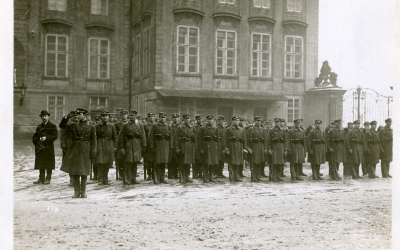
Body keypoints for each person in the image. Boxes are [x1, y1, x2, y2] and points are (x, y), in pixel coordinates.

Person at [60, 108, 96, 198]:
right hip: (75, 149)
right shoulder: (73, 125)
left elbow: (94, 140)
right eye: (77, 114)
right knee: (75, 171)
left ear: (85, 115)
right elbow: (62, 126)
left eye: (80, 114)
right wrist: (67, 117)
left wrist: (93, 151)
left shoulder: (91, 126)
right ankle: (76, 192)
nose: (78, 116)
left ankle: (83, 192)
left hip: (86, 149)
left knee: (84, 172)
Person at [118, 111, 146, 185]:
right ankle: (127, 179)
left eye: (132, 115)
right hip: (128, 146)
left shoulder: (139, 124)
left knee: (135, 163)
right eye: (129, 116)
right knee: (128, 163)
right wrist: (122, 148)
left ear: (135, 116)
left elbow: (143, 135)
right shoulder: (125, 125)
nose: (130, 117)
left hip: (137, 146)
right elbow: (120, 137)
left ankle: (133, 179)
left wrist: (144, 146)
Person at [32, 110, 58, 185]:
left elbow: (55, 136)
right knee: (41, 163)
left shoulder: (52, 126)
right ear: (41, 118)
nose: (44, 118)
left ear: (48, 117)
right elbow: (35, 137)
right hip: (41, 148)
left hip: (49, 148)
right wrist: (37, 140)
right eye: (42, 116)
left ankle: (48, 178)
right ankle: (41, 178)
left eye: (45, 116)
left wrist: (46, 138)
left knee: (49, 164)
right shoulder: (39, 127)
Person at [148, 112, 174, 184]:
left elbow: (171, 136)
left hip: (165, 146)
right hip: (157, 145)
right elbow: (150, 137)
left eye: (164, 117)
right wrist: (152, 147)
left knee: (164, 162)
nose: (162, 119)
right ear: (159, 118)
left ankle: (162, 177)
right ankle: (156, 177)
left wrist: (171, 146)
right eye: (161, 117)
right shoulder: (155, 125)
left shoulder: (168, 126)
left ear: (165, 118)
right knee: (157, 162)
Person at [94, 111, 117, 186]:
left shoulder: (111, 125)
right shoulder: (97, 126)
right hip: (100, 144)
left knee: (107, 163)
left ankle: (105, 179)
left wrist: (115, 146)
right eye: (103, 116)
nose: (104, 117)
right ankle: (100, 179)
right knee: (100, 162)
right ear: (101, 117)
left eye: (106, 116)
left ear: (108, 116)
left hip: (109, 145)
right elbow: (95, 137)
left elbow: (115, 137)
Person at [224, 116, 247, 182]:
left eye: (238, 120)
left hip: (239, 148)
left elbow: (244, 140)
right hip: (232, 147)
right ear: (233, 121)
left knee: (238, 162)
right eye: (235, 120)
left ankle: (236, 176)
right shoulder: (229, 129)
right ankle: (231, 176)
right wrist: (226, 148)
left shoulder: (242, 129)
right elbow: (224, 139)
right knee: (232, 162)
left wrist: (245, 148)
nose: (237, 122)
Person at [198, 115, 220, 183]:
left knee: (212, 163)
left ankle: (211, 176)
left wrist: (218, 148)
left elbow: (218, 139)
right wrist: (200, 148)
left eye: (211, 119)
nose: (210, 120)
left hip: (213, 146)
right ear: (206, 120)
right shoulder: (203, 128)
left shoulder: (215, 128)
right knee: (205, 163)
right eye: (208, 119)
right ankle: (205, 177)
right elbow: (199, 139)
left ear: (213, 120)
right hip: (206, 146)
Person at [174, 113, 195, 183]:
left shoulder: (192, 127)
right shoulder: (180, 127)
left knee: (188, 162)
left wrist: (193, 137)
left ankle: (187, 176)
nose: (187, 120)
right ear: (183, 119)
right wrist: (177, 148)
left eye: (188, 118)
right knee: (182, 162)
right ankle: (182, 177)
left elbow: (194, 138)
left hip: (189, 146)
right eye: (186, 118)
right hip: (182, 146)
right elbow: (176, 138)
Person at [247, 116, 268, 182]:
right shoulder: (251, 129)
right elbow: (247, 139)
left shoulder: (263, 129)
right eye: (257, 121)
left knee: (260, 162)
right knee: (254, 162)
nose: (258, 122)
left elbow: (265, 140)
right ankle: (253, 176)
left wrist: (265, 148)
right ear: (255, 121)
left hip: (261, 147)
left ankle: (258, 176)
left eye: (260, 121)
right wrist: (248, 148)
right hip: (254, 147)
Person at [60, 111, 77, 185]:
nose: (75, 117)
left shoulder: (78, 123)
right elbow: (62, 135)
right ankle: (72, 179)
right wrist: (63, 145)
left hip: (77, 145)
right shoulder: (67, 124)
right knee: (70, 163)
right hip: (68, 145)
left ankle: (76, 179)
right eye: (74, 116)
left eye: (76, 116)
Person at [115, 109, 129, 180]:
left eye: (125, 115)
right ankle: (121, 174)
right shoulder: (117, 124)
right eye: (122, 115)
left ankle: (127, 174)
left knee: (128, 159)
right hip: (120, 144)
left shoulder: (129, 123)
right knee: (121, 160)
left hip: (128, 144)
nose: (124, 116)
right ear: (120, 116)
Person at [143, 113, 156, 180]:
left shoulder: (156, 125)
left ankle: (154, 174)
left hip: (155, 145)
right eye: (150, 116)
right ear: (148, 118)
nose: (151, 118)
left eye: (152, 116)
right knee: (148, 161)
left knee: (155, 160)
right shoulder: (145, 125)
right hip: (148, 146)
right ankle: (149, 174)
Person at [168, 113, 180, 179]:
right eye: (174, 118)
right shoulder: (170, 126)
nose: (175, 119)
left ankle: (176, 174)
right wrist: (171, 146)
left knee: (177, 161)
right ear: (172, 119)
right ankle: (170, 174)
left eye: (176, 118)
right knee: (171, 161)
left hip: (177, 145)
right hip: (172, 146)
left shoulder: (180, 126)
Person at [193, 114, 203, 179]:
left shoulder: (203, 126)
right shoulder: (194, 127)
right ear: (196, 120)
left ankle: (200, 174)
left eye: (200, 119)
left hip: (201, 145)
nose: (199, 120)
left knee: (201, 160)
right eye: (198, 119)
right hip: (195, 145)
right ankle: (195, 174)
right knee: (195, 160)